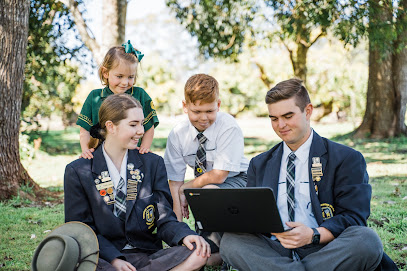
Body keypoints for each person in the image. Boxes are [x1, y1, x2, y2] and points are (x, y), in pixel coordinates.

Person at [220, 78, 395, 271]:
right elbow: (255, 217)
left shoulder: (346, 158)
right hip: (274, 250)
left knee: (366, 241)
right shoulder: (259, 164)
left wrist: (313, 234)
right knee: (230, 242)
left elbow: (354, 217)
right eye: (274, 118)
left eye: (288, 116)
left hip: (325, 248)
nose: (281, 125)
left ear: (308, 111)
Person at [65, 93, 210, 271]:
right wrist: (114, 260)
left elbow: (164, 218)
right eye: (133, 125)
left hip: (146, 255)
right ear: (111, 127)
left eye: (141, 123)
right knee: (75, 264)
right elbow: (81, 229)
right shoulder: (78, 170)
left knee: (198, 252)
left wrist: (184, 235)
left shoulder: (153, 164)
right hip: (103, 257)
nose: (141, 131)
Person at [164, 74, 249, 266]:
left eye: (210, 111)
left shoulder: (228, 127)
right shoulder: (178, 135)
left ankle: (231, 248)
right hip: (208, 188)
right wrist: (178, 231)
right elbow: (175, 183)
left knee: (207, 193)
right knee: (205, 257)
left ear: (218, 105)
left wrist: (189, 187)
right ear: (185, 107)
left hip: (241, 180)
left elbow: (219, 175)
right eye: (196, 111)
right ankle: (216, 247)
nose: (203, 118)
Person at [77, 40, 158, 159]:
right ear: (105, 72)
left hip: (133, 156)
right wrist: (86, 151)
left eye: (131, 77)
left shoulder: (140, 95)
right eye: (119, 76)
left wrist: (144, 149)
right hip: (101, 157)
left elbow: (149, 127)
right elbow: (84, 131)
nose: (125, 83)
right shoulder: (94, 97)